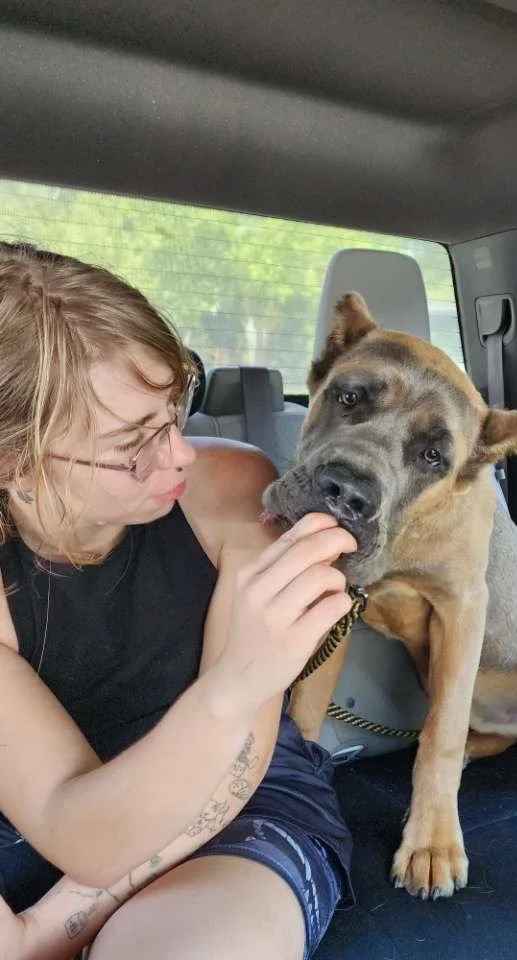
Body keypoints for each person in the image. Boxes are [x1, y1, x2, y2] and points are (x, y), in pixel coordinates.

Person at [0, 241, 357, 960]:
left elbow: (236, 764)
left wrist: (46, 930)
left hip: (231, 817)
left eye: (176, 409)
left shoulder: (231, 494)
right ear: (16, 463)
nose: (181, 454)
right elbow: (63, 813)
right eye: (136, 443)